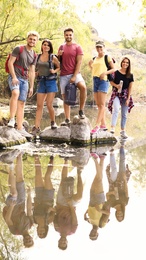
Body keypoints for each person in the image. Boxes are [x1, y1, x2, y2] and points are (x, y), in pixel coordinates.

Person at [7, 31, 39, 138]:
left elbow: (32, 71)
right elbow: (10, 63)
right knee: (15, 93)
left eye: (34, 40)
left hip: (25, 80)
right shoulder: (19, 49)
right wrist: (14, 77)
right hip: (14, 76)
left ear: (36, 42)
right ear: (27, 39)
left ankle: (20, 127)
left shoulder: (34, 55)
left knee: (22, 103)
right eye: (30, 39)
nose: (32, 41)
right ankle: (12, 119)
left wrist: (31, 86)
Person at [2, 152, 34, 247]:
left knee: (14, 192)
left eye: (26, 242)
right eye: (30, 241)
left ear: (23, 242)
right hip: (22, 202)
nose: (28, 239)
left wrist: (11, 206)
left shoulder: (15, 231)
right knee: (20, 178)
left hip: (12, 205)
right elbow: (28, 209)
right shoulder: (30, 224)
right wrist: (29, 194)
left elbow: (7, 219)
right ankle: (19, 153)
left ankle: (11, 165)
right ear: (32, 239)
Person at [58, 28, 87, 126]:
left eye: (70, 35)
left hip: (75, 73)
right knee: (65, 97)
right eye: (66, 35)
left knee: (83, 87)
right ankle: (67, 119)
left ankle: (81, 110)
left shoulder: (77, 47)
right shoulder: (61, 47)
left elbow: (79, 62)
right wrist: (58, 56)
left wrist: (74, 76)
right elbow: (58, 63)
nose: (68, 36)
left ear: (72, 35)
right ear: (64, 36)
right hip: (63, 75)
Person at [31, 39, 60, 136]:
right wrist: (36, 73)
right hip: (41, 82)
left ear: (50, 47)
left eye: (48, 45)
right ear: (42, 46)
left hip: (51, 81)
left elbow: (59, 67)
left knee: (49, 104)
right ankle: (36, 127)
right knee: (39, 105)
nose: (46, 46)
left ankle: (53, 122)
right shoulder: (38, 56)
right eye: (44, 44)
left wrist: (54, 71)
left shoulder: (52, 57)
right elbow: (36, 67)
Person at [53, 157, 83, 250]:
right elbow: (74, 217)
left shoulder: (56, 229)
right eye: (64, 243)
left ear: (58, 241)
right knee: (79, 196)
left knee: (63, 181)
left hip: (61, 204)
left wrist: (53, 209)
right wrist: (70, 204)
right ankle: (79, 173)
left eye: (61, 243)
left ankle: (65, 160)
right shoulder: (72, 231)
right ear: (66, 242)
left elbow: (54, 216)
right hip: (71, 206)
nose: (62, 242)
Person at [88, 40, 115, 134]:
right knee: (98, 105)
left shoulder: (107, 57)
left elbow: (113, 68)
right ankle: (103, 125)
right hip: (95, 80)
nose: (99, 49)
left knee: (102, 105)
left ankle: (97, 125)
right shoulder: (94, 58)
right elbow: (89, 64)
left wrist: (104, 73)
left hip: (103, 81)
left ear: (104, 47)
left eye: (101, 47)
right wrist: (93, 70)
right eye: (97, 47)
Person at [84, 152, 110, 240]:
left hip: (91, 200)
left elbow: (88, 214)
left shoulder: (89, 221)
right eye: (94, 234)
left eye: (91, 234)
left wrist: (85, 213)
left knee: (97, 178)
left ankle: (102, 158)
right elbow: (108, 213)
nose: (93, 232)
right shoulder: (102, 224)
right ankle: (95, 159)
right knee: (99, 180)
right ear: (97, 234)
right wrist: (100, 210)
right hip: (99, 201)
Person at [108, 56, 134, 138]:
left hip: (125, 95)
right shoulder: (116, 72)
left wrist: (128, 99)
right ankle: (112, 128)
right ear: (121, 63)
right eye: (124, 62)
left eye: (127, 62)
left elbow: (130, 88)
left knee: (124, 114)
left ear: (128, 64)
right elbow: (111, 82)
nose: (125, 64)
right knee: (116, 109)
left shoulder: (130, 75)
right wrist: (117, 86)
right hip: (116, 94)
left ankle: (122, 131)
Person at [106, 144, 132, 222]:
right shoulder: (125, 203)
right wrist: (124, 179)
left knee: (113, 170)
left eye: (118, 216)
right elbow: (126, 191)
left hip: (113, 183)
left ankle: (111, 153)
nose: (119, 214)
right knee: (122, 163)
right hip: (121, 183)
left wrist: (112, 192)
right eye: (121, 215)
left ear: (116, 214)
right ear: (123, 214)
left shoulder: (111, 205)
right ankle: (122, 147)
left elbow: (107, 195)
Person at [33, 155, 55, 238]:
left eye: (39, 234)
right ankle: (52, 158)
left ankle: (36, 155)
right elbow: (54, 210)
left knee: (38, 173)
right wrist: (50, 209)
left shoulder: (34, 220)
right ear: (46, 231)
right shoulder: (49, 221)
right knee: (47, 177)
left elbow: (34, 208)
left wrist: (32, 204)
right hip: (48, 198)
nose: (40, 232)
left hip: (38, 196)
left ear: (37, 231)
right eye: (43, 233)